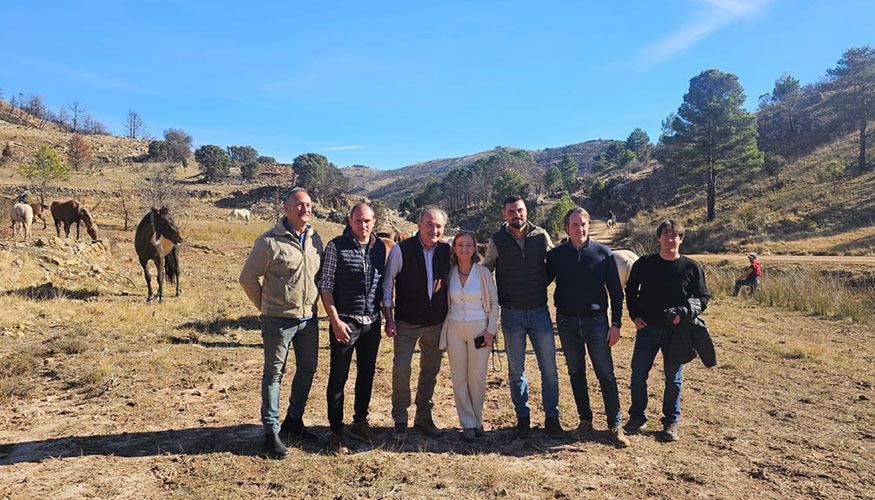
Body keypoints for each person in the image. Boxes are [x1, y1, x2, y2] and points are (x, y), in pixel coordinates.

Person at [239, 187, 324, 459]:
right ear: (285, 209)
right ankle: (270, 433)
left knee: (308, 369)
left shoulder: (315, 239)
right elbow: (247, 277)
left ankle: (294, 421)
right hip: (278, 321)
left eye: (308, 204)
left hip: (308, 319)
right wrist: (266, 306)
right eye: (299, 205)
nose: (305, 209)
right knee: (274, 374)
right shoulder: (268, 242)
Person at [546, 207, 630, 448]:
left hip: (596, 322)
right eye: (574, 225)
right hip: (566, 322)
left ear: (588, 226)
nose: (579, 229)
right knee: (576, 373)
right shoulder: (557, 255)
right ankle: (585, 421)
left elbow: (616, 293)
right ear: (566, 228)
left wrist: (615, 324)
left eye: (583, 224)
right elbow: (539, 281)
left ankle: (615, 425)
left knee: (606, 373)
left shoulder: (604, 254)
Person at [483, 196, 563, 438]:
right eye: (511, 211)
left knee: (549, 369)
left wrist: (541, 283)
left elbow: (555, 263)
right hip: (511, 314)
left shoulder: (541, 235)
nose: (516, 214)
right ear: (504, 215)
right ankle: (523, 419)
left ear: (526, 211)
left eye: (520, 210)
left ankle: (552, 418)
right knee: (516, 370)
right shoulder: (497, 240)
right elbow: (487, 270)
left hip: (540, 311)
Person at [623, 220, 710, 442]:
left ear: (681, 239)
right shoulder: (644, 264)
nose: (670, 240)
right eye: (665, 235)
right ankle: (637, 418)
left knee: (673, 378)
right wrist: (635, 315)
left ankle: (670, 422)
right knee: (638, 374)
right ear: (659, 238)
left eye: (674, 236)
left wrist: (685, 312)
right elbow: (631, 291)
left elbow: (703, 298)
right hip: (647, 329)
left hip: (678, 332)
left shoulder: (691, 267)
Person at [317, 202, 386, 454]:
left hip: (371, 321)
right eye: (358, 221)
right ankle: (336, 431)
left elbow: (382, 285)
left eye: (367, 221)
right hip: (345, 322)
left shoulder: (380, 248)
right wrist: (335, 321)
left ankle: (360, 421)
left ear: (373, 221)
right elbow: (325, 285)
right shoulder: (336, 246)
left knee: (366, 374)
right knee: (338, 377)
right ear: (350, 220)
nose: (363, 225)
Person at [382, 207, 450, 440]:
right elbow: (387, 285)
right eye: (430, 224)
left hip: (435, 323)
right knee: (401, 369)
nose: (434, 230)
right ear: (419, 224)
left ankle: (423, 416)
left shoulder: (446, 250)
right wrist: (389, 319)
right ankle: (400, 418)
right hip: (406, 322)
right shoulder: (401, 250)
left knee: (430, 370)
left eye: (439, 226)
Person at [439, 230, 499, 442]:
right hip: (454, 329)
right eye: (460, 245)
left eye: (468, 245)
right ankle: (467, 423)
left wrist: (490, 331)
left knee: (477, 378)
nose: (464, 249)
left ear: (475, 248)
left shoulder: (482, 273)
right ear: (454, 248)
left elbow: (493, 303)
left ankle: (477, 419)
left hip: (479, 329)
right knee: (459, 379)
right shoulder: (450, 272)